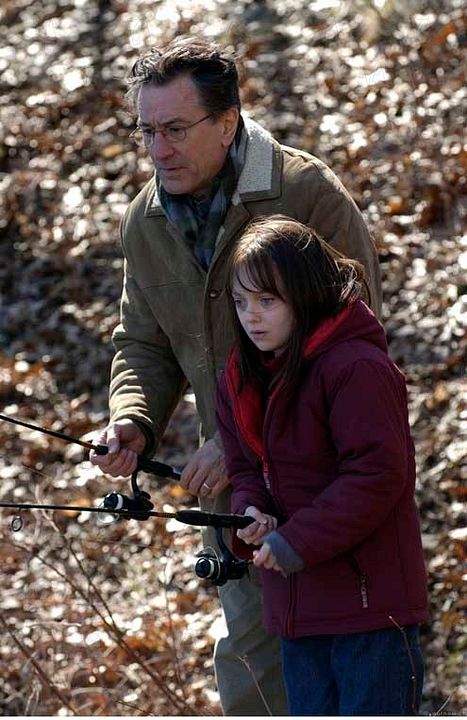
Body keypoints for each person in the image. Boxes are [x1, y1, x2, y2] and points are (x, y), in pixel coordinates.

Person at [90, 36, 382, 716]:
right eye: (146, 132)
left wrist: (243, 433)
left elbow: (355, 340)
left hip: (333, 484)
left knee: (351, 669)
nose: (158, 149)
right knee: (251, 669)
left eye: (175, 129)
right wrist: (132, 419)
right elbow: (142, 338)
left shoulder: (306, 195)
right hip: (238, 499)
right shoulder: (146, 219)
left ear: (227, 124)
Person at [215, 215, 429, 716]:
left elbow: (377, 475)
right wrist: (251, 514)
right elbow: (246, 469)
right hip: (297, 610)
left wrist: (295, 540)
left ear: (305, 295)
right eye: (241, 302)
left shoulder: (355, 367)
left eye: (268, 300)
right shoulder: (242, 376)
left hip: (371, 610)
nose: (252, 316)